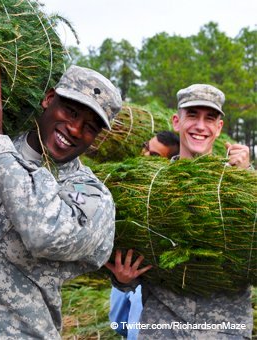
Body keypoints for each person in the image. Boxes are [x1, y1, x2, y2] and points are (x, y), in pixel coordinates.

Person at [0, 62, 122, 338]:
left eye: (90, 127)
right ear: (48, 99)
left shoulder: (91, 197)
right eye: (70, 111)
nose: (74, 129)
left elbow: (44, 234)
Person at [107, 84, 253, 339]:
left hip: (224, 330)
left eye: (210, 118)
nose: (200, 126)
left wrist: (247, 179)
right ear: (177, 121)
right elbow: (135, 258)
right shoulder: (149, 189)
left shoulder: (240, 182)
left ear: (219, 128)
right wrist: (123, 279)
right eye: (192, 115)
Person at [107, 130, 179, 340]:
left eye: (155, 156)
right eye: (146, 147)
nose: (145, 155)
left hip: (147, 285)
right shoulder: (125, 181)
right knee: (119, 322)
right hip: (124, 275)